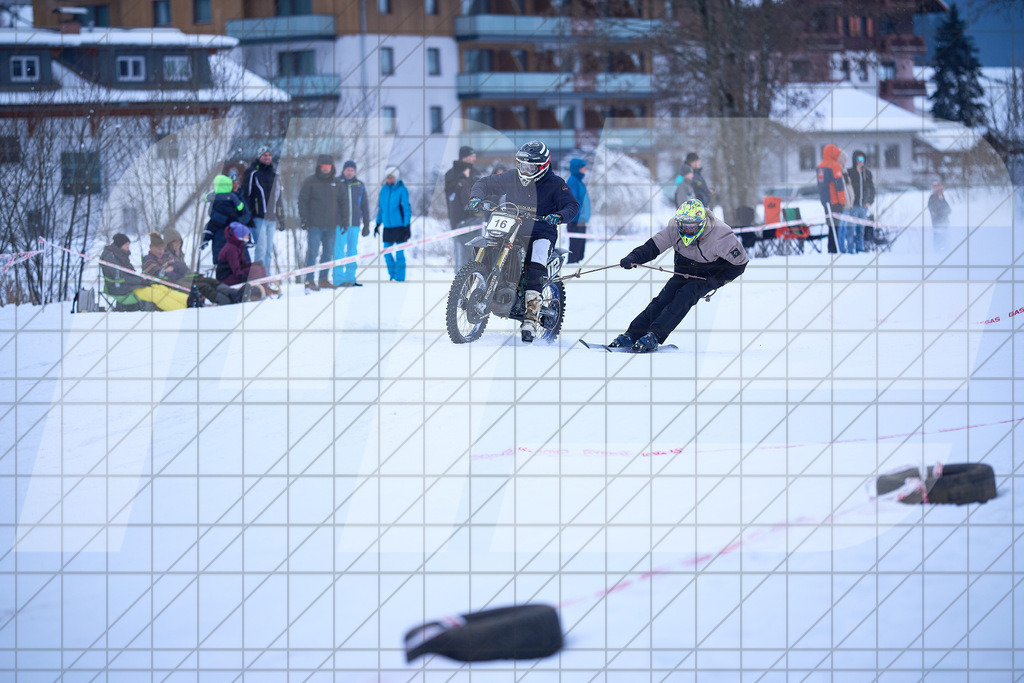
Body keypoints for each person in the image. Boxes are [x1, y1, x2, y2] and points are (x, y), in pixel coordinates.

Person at [467, 140, 580, 343]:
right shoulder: (512, 177)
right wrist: (476, 197)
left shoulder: (556, 184)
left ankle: (530, 316)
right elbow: (484, 182)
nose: (525, 170)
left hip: (541, 232)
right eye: (522, 165)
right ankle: (479, 286)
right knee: (489, 246)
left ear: (543, 166)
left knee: (535, 263)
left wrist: (559, 216)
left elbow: (572, 205)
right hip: (512, 228)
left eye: (530, 167)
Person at [611, 199, 747, 352]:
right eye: (684, 225)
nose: (687, 229)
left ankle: (654, 336)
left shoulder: (721, 236)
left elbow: (740, 263)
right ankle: (632, 335)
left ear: (701, 223)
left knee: (684, 297)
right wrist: (633, 257)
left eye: (692, 226)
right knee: (662, 299)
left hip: (707, 275)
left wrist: (716, 281)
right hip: (683, 269)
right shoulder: (674, 228)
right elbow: (654, 246)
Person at [100, 233, 191, 311]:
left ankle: (189, 301)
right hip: (121, 289)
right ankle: (181, 309)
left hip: (130, 285)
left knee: (160, 287)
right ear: (120, 244)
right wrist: (141, 281)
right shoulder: (111, 257)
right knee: (155, 294)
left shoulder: (120, 255)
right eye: (126, 244)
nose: (128, 247)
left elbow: (130, 273)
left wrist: (142, 280)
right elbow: (121, 277)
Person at [298, 154, 345, 292]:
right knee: (312, 252)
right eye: (323, 166)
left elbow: (343, 203)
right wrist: (304, 219)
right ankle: (310, 280)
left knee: (328, 253)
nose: (326, 169)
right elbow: (302, 201)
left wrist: (344, 220)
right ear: (319, 167)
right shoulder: (310, 181)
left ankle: (323, 279)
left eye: (328, 166)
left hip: (330, 225)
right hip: (314, 225)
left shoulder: (336, 183)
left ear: (332, 167)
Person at [163, 227, 243, 305]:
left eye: (179, 241)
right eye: (175, 241)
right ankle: (226, 301)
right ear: (169, 243)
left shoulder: (179, 254)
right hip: (179, 283)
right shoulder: (166, 255)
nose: (178, 244)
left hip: (187, 278)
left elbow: (183, 269)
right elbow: (175, 272)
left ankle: (234, 294)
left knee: (210, 281)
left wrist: (194, 275)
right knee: (203, 286)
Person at [243, 145, 283, 269]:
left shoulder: (274, 173)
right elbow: (246, 195)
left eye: (269, 155)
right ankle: (258, 281)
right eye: (264, 155)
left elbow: (279, 197)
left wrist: (281, 217)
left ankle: (266, 281)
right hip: (258, 218)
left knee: (268, 252)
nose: (267, 157)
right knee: (260, 250)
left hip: (271, 218)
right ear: (259, 156)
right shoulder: (252, 172)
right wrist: (248, 216)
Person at [200, 174, 251, 269]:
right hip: (220, 230)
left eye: (237, 183)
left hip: (237, 232)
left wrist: (236, 223)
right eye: (232, 183)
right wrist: (227, 220)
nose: (235, 186)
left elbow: (246, 214)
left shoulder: (239, 197)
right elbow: (212, 213)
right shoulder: (217, 196)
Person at [334, 160, 371, 287]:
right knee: (338, 251)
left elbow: (365, 206)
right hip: (340, 224)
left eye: (352, 170)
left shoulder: (359, 185)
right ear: (343, 170)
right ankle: (338, 279)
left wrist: (366, 224)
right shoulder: (337, 183)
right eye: (347, 170)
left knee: (352, 251)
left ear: (355, 171)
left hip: (354, 224)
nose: (349, 172)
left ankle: (350, 278)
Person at [375, 166, 412, 282]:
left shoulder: (402, 189)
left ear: (396, 177)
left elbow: (406, 208)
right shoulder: (384, 190)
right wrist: (378, 223)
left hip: (400, 227)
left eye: (391, 177)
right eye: (387, 177)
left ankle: (400, 278)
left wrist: (407, 225)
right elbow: (381, 208)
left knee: (399, 253)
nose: (389, 179)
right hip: (387, 227)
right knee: (386, 252)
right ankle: (393, 275)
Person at [444, 145, 478, 272]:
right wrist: (463, 178)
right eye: (473, 156)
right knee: (461, 254)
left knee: (474, 253)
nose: (475, 159)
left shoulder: (475, 172)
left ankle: (474, 277)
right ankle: (459, 282)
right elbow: (451, 195)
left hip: (476, 221)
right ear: (465, 157)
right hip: (459, 220)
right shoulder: (451, 174)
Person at [816, 144, 847, 254]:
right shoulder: (834, 166)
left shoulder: (820, 166)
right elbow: (839, 185)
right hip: (835, 201)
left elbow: (820, 185)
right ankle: (835, 248)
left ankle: (831, 247)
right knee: (837, 227)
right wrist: (842, 200)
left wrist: (824, 200)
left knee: (831, 227)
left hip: (825, 201)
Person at [846, 149, 875, 254]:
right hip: (853, 206)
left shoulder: (867, 173)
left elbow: (871, 189)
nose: (860, 161)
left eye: (862, 159)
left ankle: (860, 248)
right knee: (851, 229)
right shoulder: (850, 172)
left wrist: (869, 201)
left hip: (863, 206)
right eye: (858, 159)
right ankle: (850, 249)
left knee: (861, 229)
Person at [565, 158, 591, 265]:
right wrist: (579, 213)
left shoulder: (579, 181)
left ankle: (577, 264)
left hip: (581, 220)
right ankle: (571, 266)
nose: (585, 170)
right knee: (575, 248)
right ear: (577, 169)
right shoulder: (572, 181)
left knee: (580, 249)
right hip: (575, 220)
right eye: (583, 168)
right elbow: (573, 201)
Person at [928, 181, 951, 251]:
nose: (940, 190)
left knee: (944, 237)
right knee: (938, 237)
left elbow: (948, 209)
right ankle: (938, 250)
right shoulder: (932, 197)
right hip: (937, 222)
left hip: (944, 222)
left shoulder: (942, 197)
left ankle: (943, 249)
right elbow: (933, 209)